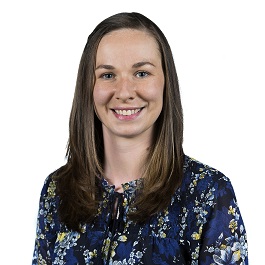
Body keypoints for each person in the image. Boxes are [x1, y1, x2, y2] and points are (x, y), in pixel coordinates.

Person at [32, 12, 248, 265]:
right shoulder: (58, 190)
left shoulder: (208, 192)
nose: (124, 92)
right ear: (87, 88)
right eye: (107, 75)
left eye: (142, 73)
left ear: (166, 83)